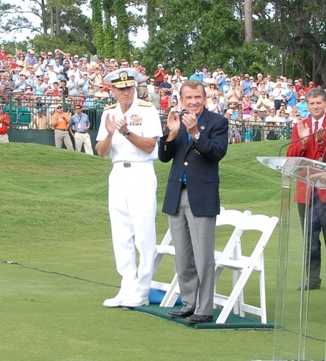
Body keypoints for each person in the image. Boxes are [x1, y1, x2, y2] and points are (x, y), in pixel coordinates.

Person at [157, 79, 229, 323]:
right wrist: (172, 134)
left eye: (197, 97)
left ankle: (205, 309)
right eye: (188, 97)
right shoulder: (176, 121)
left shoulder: (217, 122)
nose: (193, 101)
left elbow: (217, 152)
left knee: (203, 256)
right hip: (177, 195)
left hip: (202, 195)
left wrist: (196, 133)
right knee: (184, 255)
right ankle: (189, 303)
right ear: (181, 99)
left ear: (204, 98)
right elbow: (164, 157)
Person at [96, 68, 162, 309]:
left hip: (141, 171)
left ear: (134, 87)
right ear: (112, 90)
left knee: (144, 233)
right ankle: (127, 285)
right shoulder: (109, 114)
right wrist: (111, 134)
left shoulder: (147, 110)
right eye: (121, 88)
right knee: (121, 232)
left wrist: (126, 132)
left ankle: (142, 289)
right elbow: (101, 151)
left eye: (129, 87)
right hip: (118, 173)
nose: (126, 92)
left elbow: (149, 146)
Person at [285, 86, 326, 292]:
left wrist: (323, 143)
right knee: (310, 237)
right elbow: (292, 155)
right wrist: (303, 141)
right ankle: (312, 278)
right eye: (311, 104)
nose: (315, 107)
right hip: (306, 189)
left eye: (318, 103)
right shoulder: (301, 125)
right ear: (307, 105)